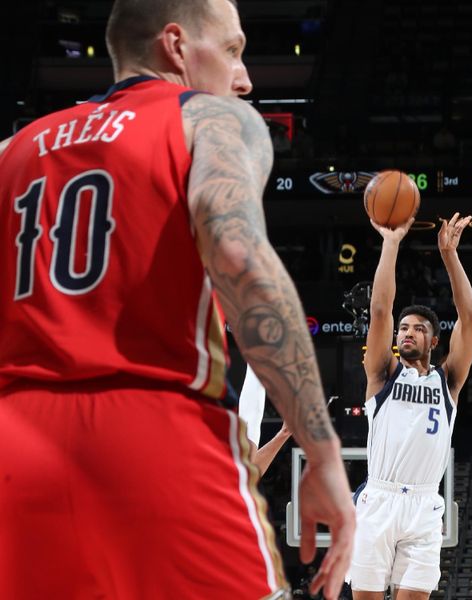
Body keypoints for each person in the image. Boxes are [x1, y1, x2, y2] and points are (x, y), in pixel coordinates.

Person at [0, 1, 355, 599]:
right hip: (154, 433)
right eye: (234, 50)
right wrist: (321, 453)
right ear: (176, 45)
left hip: (16, 448)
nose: (245, 78)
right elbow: (243, 262)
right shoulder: (212, 120)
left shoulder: (13, 150)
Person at [349, 213, 472, 599]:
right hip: (380, 499)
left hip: (424, 503)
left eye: (419, 328)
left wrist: (449, 254)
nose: (408, 332)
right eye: (404, 328)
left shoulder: (448, 379)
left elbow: (469, 317)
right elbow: (379, 311)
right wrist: (391, 243)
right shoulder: (383, 375)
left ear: (434, 341)